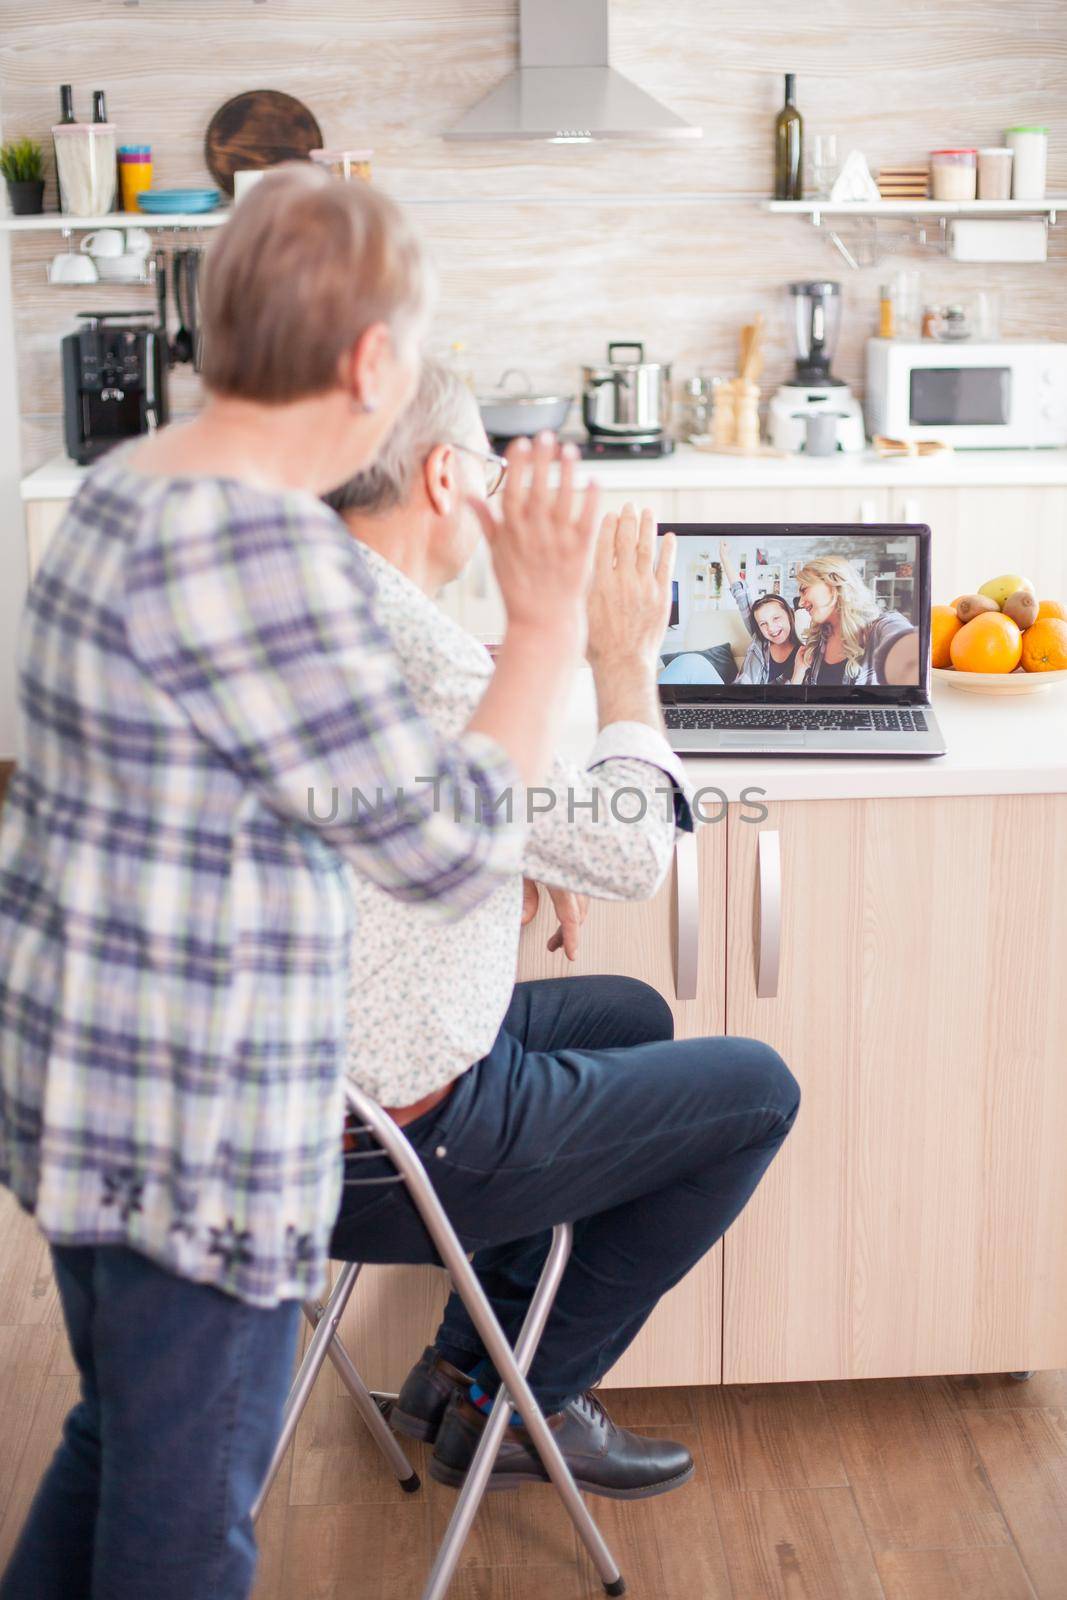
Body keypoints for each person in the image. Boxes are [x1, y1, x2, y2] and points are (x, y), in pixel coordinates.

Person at [0, 169, 603, 1600]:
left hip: (77, 1087)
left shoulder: (121, 487)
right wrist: (543, 625)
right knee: (185, 1526)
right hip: (194, 1124)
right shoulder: (262, 558)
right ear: (370, 364)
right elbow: (446, 843)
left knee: (117, 1439)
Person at [325, 362, 802, 1501]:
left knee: (628, 1015)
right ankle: (523, 1404)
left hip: (287, 1100)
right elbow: (634, 853)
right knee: (756, 1092)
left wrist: (518, 836)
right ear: (445, 477)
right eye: (485, 464)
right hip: (381, 1148)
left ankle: (456, 1369)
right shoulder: (429, 666)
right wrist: (622, 658)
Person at [790, 554, 919, 684]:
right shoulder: (819, 637)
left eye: (804, 590)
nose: (800, 603)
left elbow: (903, 639)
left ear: (833, 581)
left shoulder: (879, 627)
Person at [720, 538, 803, 684]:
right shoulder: (759, 638)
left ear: (789, 615)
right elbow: (741, 594)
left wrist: (799, 671)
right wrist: (724, 557)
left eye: (776, 618)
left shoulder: (803, 652)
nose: (771, 628)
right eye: (763, 623)